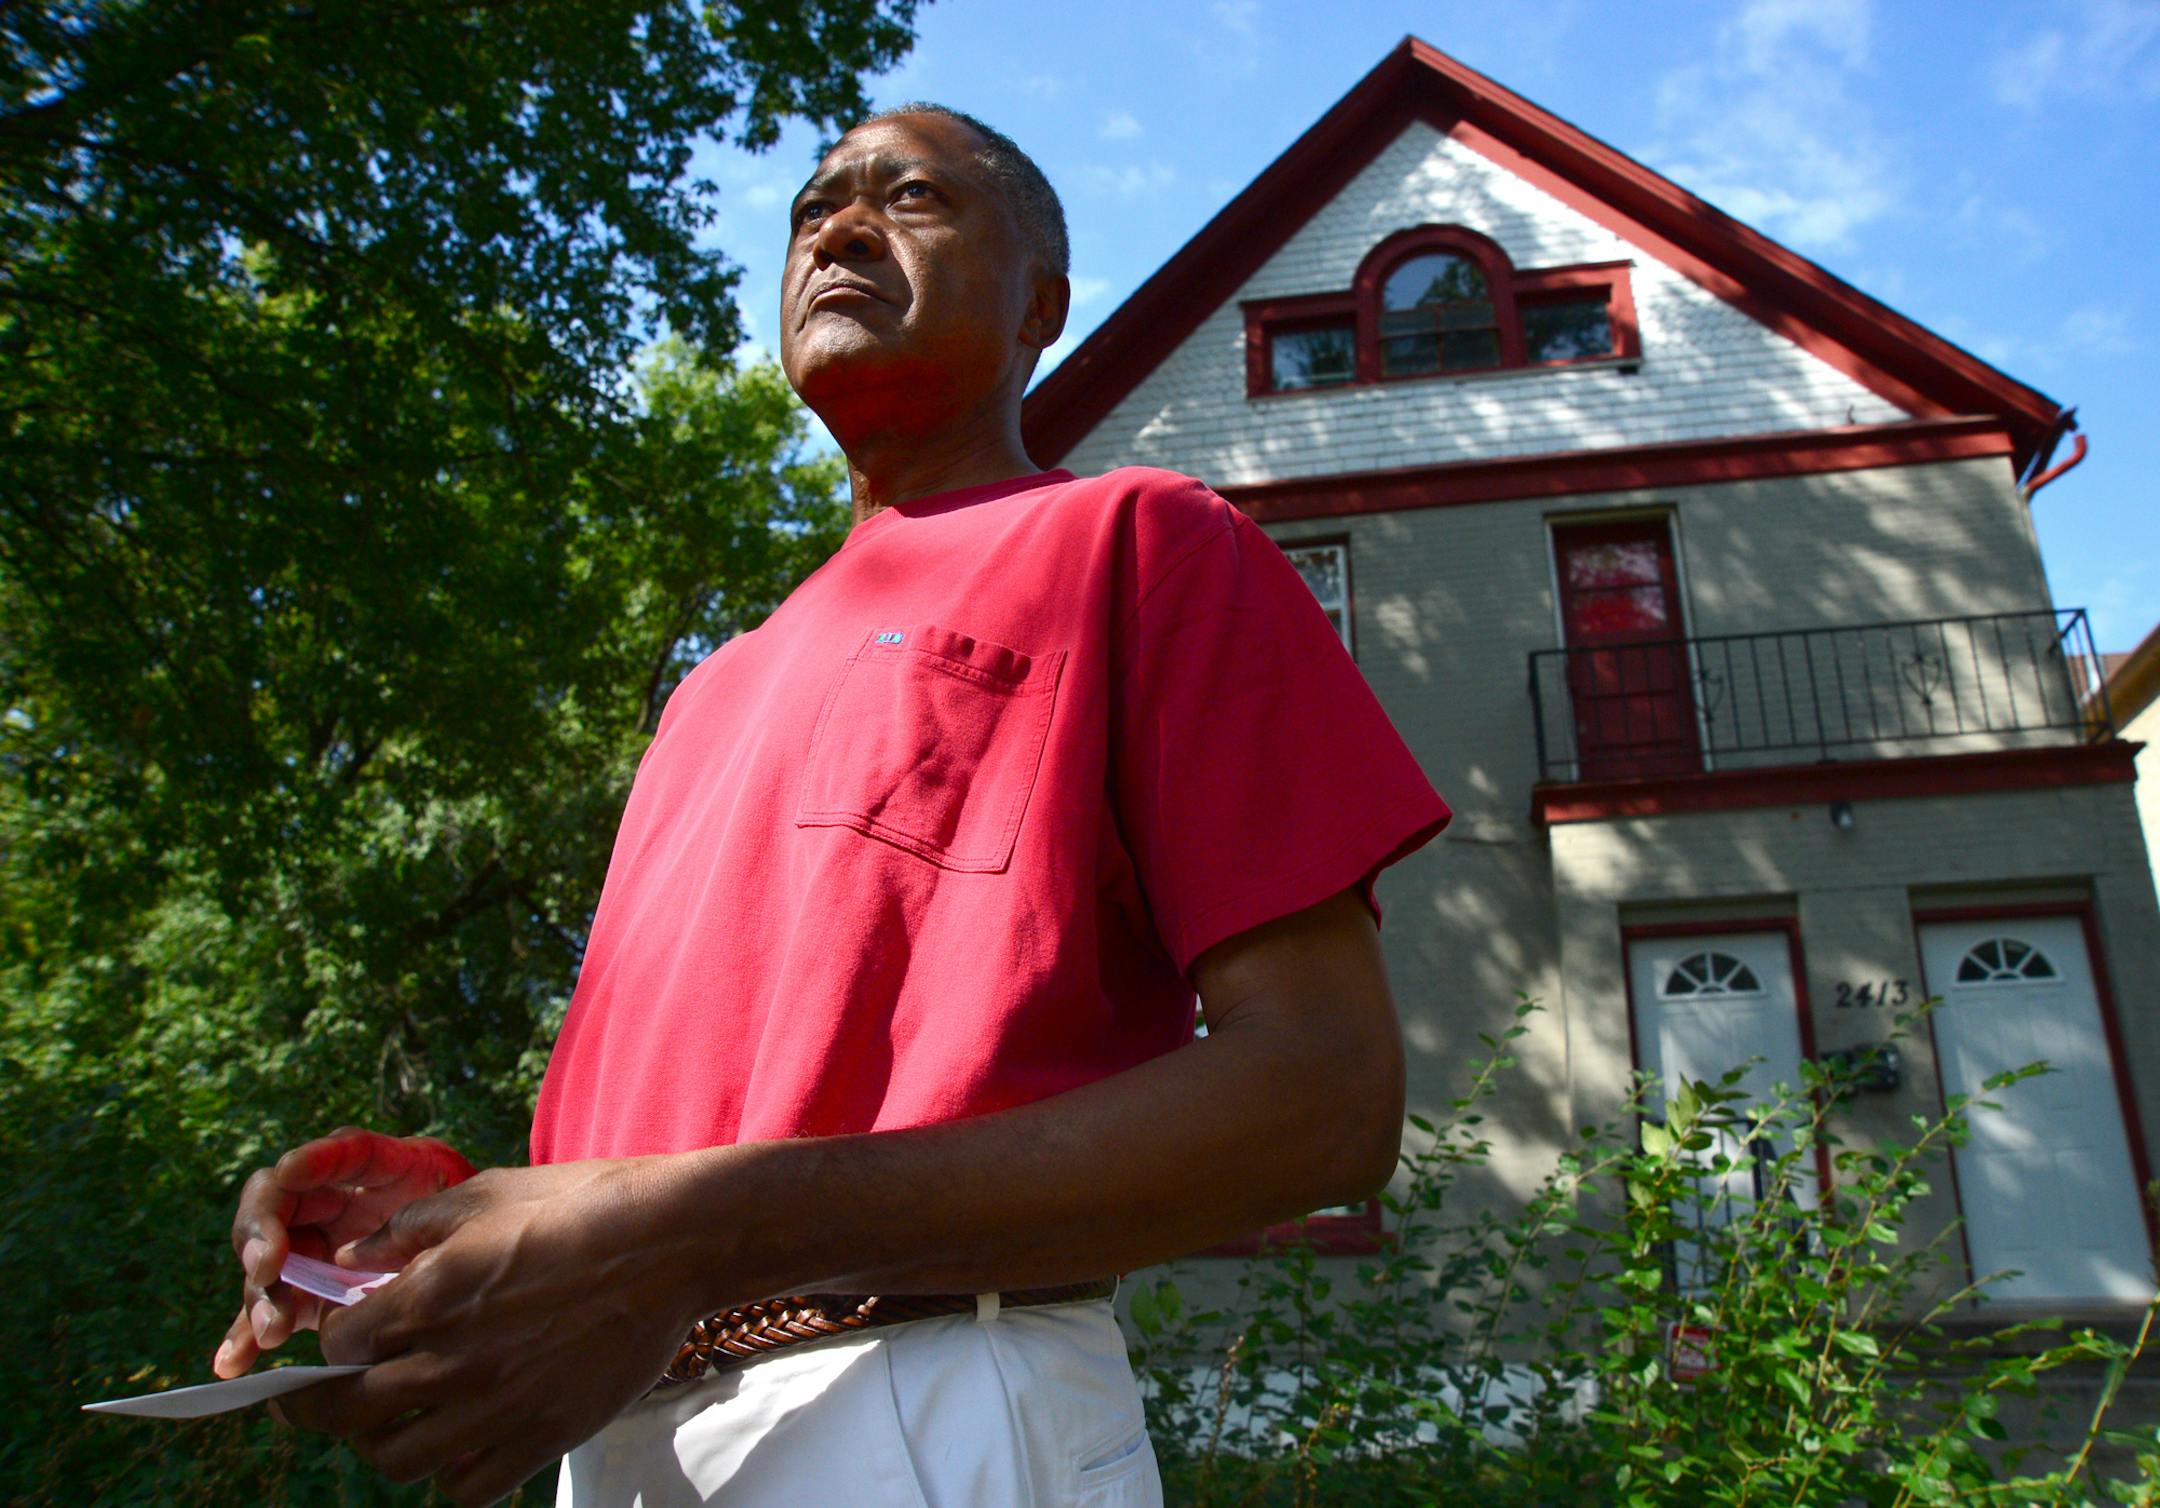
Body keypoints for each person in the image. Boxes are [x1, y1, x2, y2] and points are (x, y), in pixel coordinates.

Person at [213, 103, 1450, 1506]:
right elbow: (673, 1164)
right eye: (813, 211)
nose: (842, 229)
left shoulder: (1138, 541)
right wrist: (433, 1218)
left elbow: (1326, 1100)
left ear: (1042, 303)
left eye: (912, 198)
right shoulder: (709, 691)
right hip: (613, 1431)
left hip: (916, 1405)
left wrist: (697, 1240)